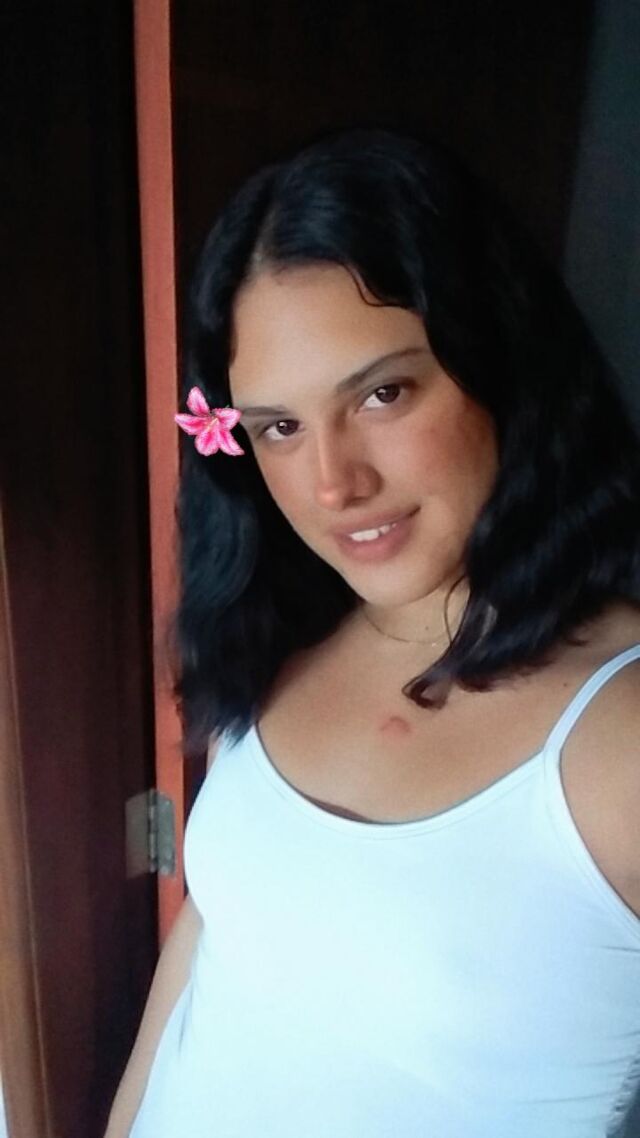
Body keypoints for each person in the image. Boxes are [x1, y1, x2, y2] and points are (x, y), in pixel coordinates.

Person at [105, 127, 640, 1138]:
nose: (332, 484)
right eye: (280, 425)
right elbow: (209, 959)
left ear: (499, 358)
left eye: (383, 393)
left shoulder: (617, 734)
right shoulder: (284, 641)